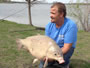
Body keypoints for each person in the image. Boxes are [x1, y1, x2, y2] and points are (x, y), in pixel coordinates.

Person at [39, 2, 78, 68]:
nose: (50, 15)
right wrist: (46, 55)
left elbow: (66, 47)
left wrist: (52, 57)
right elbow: (46, 44)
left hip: (65, 47)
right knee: (44, 60)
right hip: (53, 47)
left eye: (53, 13)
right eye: (50, 13)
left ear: (61, 14)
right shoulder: (49, 26)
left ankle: (65, 65)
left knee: (62, 60)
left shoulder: (71, 26)